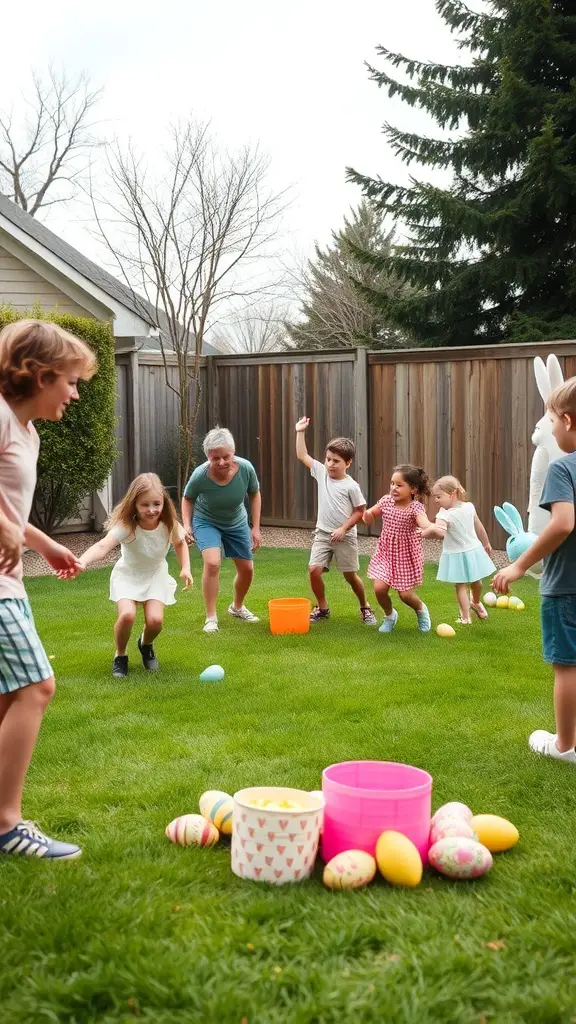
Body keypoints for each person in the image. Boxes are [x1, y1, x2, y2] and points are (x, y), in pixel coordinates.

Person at [0, 319, 96, 859]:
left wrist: (40, 542)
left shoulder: (27, 433)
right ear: (38, 375)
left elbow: (10, 509)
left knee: (9, 696)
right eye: (70, 381)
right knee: (37, 687)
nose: (76, 393)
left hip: (8, 578)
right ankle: (6, 824)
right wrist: (7, 529)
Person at [494, 377, 576, 764]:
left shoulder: (563, 469)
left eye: (553, 424)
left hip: (566, 587)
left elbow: (561, 524)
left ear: (567, 420)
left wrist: (518, 564)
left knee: (566, 666)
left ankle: (564, 746)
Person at [66, 473, 193, 678]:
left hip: (155, 574)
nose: (152, 510)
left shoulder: (169, 524)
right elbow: (102, 546)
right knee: (127, 615)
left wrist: (185, 567)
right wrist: (83, 561)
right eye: (144, 505)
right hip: (128, 574)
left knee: (155, 622)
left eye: (156, 504)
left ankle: (145, 644)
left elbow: (180, 543)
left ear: (164, 502)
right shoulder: (127, 526)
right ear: (134, 504)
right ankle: (121, 655)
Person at [295, 416, 376, 624]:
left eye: (336, 461)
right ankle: (322, 608)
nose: (330, 464)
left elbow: (360, 511)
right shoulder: (321, 472)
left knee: (350, 575)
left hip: (346, 536)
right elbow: (302, 455)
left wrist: (343, 528)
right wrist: (300, 431)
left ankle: (365, 607)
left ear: (348, 463)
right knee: (314, 570)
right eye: (328, 459)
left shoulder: (351, 486)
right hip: (322, 533)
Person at [181, 427, 261, 633]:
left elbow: (254, 494)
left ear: (233, 451)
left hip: (237, 522)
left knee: (247, 569)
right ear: (208, 456)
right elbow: (188, 498)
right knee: (212, 563)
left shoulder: (245, 468)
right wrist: (187, 525)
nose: (222, 462)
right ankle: (211, 618)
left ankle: (237, 607)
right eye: (216, 458)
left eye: (226, 456)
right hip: (207, 521)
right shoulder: (200, 474)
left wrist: (256, 527)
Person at [363, 465, 433, 633]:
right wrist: (364, 514)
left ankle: (421, 610)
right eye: (392, 483)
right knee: (379, 588)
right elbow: (370, 516)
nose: (394, 488)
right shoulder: (386, 501)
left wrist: (432, 528)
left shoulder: (415, 508)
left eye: (399, 485)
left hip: (405, 555)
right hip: (386, 552)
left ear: (413, 489)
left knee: (405, 595)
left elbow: (425, 524)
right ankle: (390, 615)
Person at [420, 475, 495, 624]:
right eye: (435, 497)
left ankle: (476, 601)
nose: (436, 500)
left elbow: (478, 525)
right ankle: (465, 617)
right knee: (460, 585)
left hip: (473, 550)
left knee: (477, 582)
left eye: (438, 496)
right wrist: (427, 531)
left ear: (452, 494)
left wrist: (486, 543)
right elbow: (441, 532)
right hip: (455, 554)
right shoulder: (443, 513)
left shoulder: (468, 507)